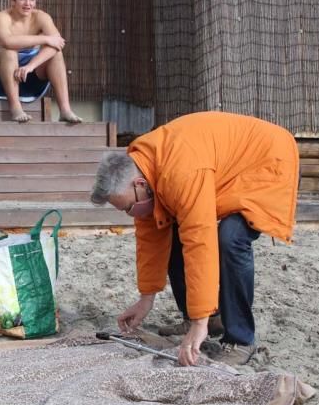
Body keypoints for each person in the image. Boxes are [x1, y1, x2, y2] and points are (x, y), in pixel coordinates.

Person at [89, 112, 299, 367]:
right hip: (226, 166)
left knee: (229, 239)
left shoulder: (181, 171)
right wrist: (146, 298)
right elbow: (151, 239)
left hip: (267, 163)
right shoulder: (146, 166)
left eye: (128, 208)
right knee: (170, 225)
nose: (130, 214)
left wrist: (199, 324)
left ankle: (240, 339)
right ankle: (207, 318)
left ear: (139, 183)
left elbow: (200, 240)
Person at [0, 0, 81, 124]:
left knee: (56, 54)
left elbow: (57, 43)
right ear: (12, 0)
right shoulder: (2, 17)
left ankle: (65, 110)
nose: (28, 4)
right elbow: (8, 42)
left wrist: (30, 66)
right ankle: (16, 108)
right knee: (9, 51)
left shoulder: (41, 17)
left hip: (28, 75)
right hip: (0, 76)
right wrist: (44, 39)